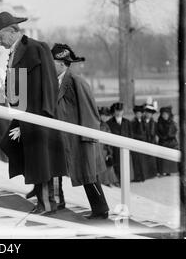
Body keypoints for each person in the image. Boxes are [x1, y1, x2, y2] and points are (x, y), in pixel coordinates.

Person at [0, 11, 67, 214]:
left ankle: (47, 203)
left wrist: (44, 117)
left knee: (41, 159)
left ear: (12, 32)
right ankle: (37, 186)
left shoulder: (36, 48)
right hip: (24, 114)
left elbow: (48, 84)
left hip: (38, 115)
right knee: (12, 146)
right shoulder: (17, 50)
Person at [52, 43, 109, 219]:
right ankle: (98, 208)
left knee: (88, 174)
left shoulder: (76, 81)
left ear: (61, 63)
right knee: (85, 173)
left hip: (81, 137)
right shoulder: (60, 81)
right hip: (69, 137)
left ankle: (101, 210)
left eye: (52, 61)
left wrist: (88, 136)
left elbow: (90, 111)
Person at [106, 102, 133, 183]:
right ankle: (117, 180)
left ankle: (126, 179)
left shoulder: (127, 122)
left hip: (125, 146)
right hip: (114, 148)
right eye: (117, 110)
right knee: (116, 164)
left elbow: (130, 135)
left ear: (123, 111)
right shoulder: (109, 123)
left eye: (120, 110)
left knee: (125, 164)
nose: (118, 112)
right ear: (114, 111)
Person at [98, 107, 119, 187]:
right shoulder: (98, 124)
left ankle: (108, 180)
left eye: (107, 116)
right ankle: (103, 181)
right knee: (101, 165)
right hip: (99, 147)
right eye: (103, 115)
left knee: (107, 165)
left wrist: (109, 150)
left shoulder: (106, 125)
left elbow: (109, 137)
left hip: (104, 148)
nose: (105, 117)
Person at [156, 106, 179, 175]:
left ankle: (170, 171)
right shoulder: (159, 123)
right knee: (162, 157)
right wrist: (163, 137)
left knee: (170, 156)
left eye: (166, 114)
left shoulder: (173, 123)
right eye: (163, 114)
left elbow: (173, 133)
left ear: (169, 115)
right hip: (162, 142)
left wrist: (167, 136)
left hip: (171, 142)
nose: (165, 116)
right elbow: (157, 132)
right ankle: (162, 171)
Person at [130, 104, 147, 182]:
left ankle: (143, 176)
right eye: (137, 113)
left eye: (140, 113)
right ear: (135, 114)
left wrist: (144, 137)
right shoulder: (133, 122)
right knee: (136, 161)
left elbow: (145, 131)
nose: (138, 115)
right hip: (136, 142)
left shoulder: (143, 121)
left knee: (142, 161)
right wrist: (140, 137)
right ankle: (137, 177)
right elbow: (132, 133)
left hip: (143, 143)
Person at [142, 98, 158, 178]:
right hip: (144, 142)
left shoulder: (154, 123)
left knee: (152, 159)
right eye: (147, 112)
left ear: (152, 114)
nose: (148, 114)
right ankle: (146, 174)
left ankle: (153, 173)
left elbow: (155, 133)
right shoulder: (142, 122)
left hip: (152, 142)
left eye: (150, 113)